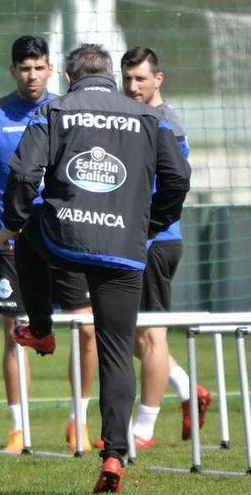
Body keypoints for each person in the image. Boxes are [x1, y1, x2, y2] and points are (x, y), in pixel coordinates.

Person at [0, 44, 191, 492]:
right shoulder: (149, 117)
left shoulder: (56, 109)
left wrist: (12, 222)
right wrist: (152, 222)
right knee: (117, 350)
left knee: (25, 242)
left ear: (67, 78)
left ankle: (41, 328)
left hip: (65, 237)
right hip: (124, 247)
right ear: (111, 76)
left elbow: (25, 173)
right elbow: (178, 177)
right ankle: (113, 455)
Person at [0, 35, 97, 453]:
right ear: (12, 70)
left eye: (39, 67)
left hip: (67, 237)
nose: (32, 75)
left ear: (51, 69)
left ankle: (81, 422)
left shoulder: (66, 111)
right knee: (15, 332)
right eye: (24, 68)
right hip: (14, 241)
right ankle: (19, 429)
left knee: (87, 329)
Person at [120, 46, 211, 448]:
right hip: (133, 239)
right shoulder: (135, 118)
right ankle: (190, 389)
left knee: (151, 337)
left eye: (141, 78)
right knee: (132, 336)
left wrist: (151, 227)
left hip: (156, 242)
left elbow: (176, 184)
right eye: (127, 78)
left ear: (159, 79)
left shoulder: (164, 123)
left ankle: (144, 427)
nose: (132, 86)